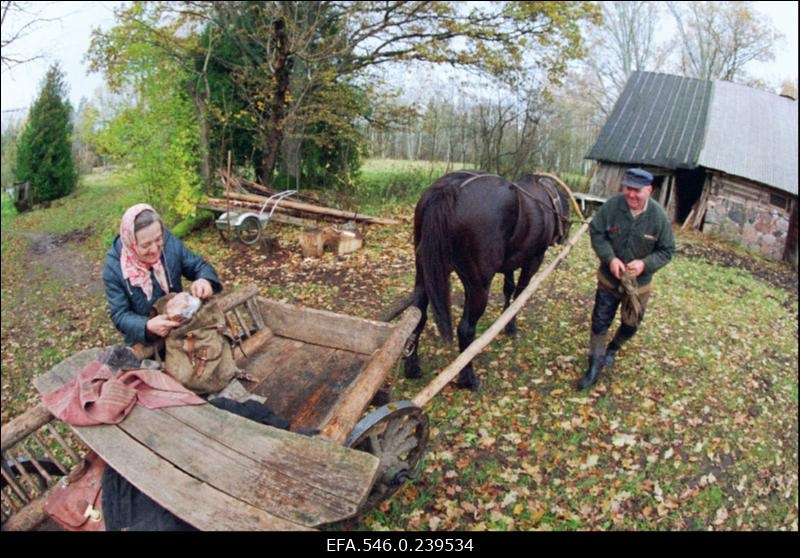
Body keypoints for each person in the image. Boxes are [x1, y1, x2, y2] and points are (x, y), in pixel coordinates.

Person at [578, 168, 675, 390]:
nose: (630, 195)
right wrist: (610, 258)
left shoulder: (659, 218)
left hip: (637, 287)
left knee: (631, 324)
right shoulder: (612, 206)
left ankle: (612, 349)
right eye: (627, 189)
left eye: (636, 191)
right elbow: (597, 232)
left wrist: (644, 264)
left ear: (649, 190)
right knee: (600, 321)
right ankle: (594, 367)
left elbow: (667, 251)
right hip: (609, 280)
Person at [103, 203, 223, 350]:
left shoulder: (169, 242)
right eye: (145, 245)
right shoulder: (114, 268)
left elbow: (199, 266)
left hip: (181, 326)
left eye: (158, 239)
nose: (154, 249)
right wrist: (146, 326)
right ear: (131, 243)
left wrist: (205, 280)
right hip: (146, 341)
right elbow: (120, 315)